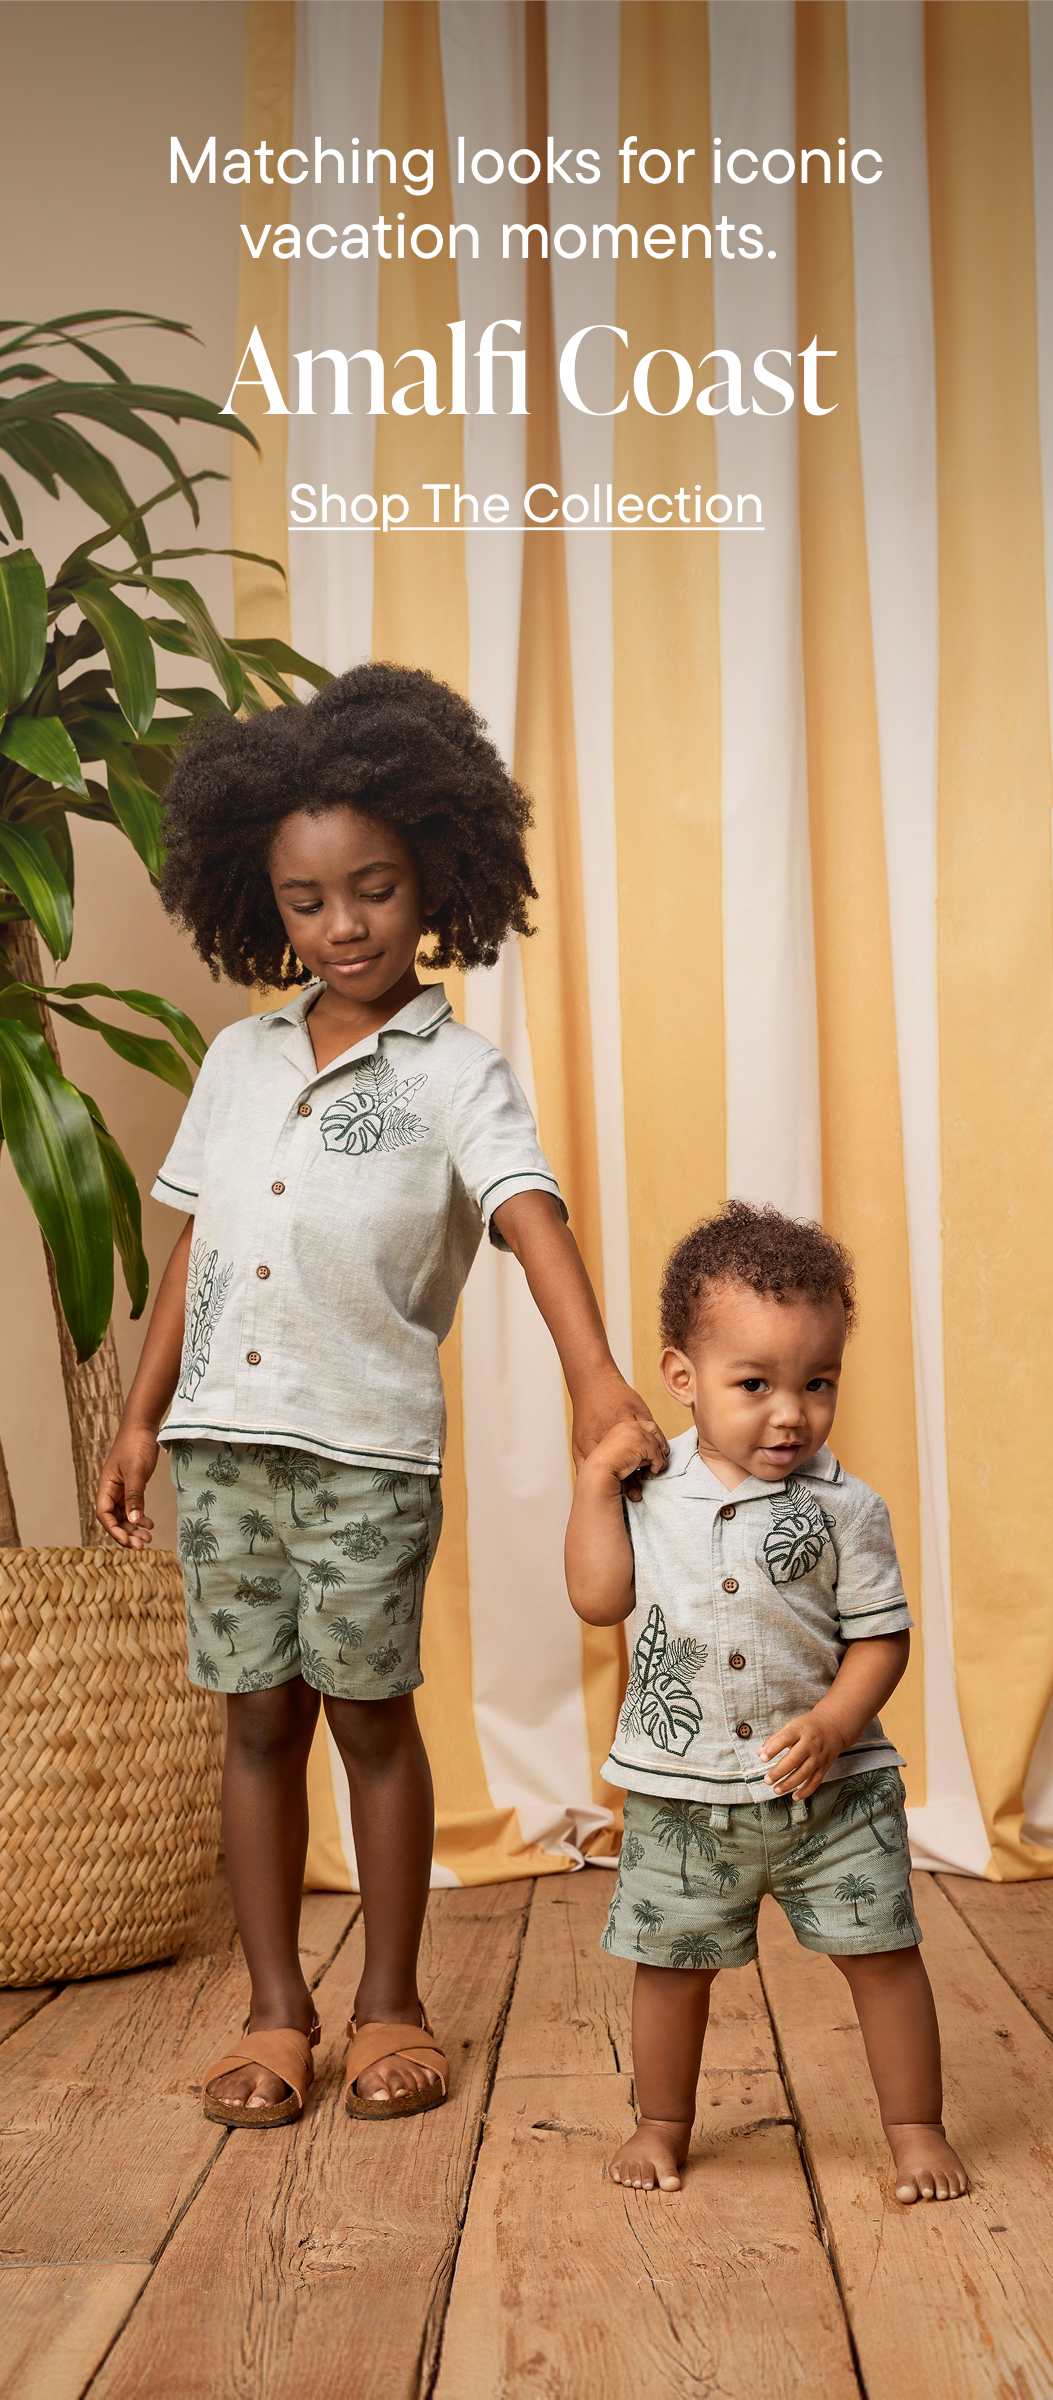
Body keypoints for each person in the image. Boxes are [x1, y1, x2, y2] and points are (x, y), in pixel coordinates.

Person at [97, 661, 666, 2130]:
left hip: (362, 1456)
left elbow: (532, 1220)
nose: (341, 925)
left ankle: (393, 2005)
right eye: (305, 900)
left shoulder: (456, 1073)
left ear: (439, 882)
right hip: (224, 1451)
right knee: (254, 1723)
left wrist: (599, 1382)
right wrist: (142, 1413)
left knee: (365, 1716)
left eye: (375, 888)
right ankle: (277, 2013)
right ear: (258, 902)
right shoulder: (235, 1061)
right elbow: (192, 1249)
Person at [565, 1199, 969, 2205]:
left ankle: (915, 2128)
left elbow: (882, 1638)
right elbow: (598, 1597)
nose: (790, 1412)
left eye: (816, 1383)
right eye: (755, 1385)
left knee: (883, 1958)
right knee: (669, 1968)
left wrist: (836, 1723)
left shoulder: (848, 1507)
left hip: (834, 1795)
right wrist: (588, 1487)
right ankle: (662, 2123)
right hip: (681, 1793)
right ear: (682, 1377)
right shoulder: (645, 1491)